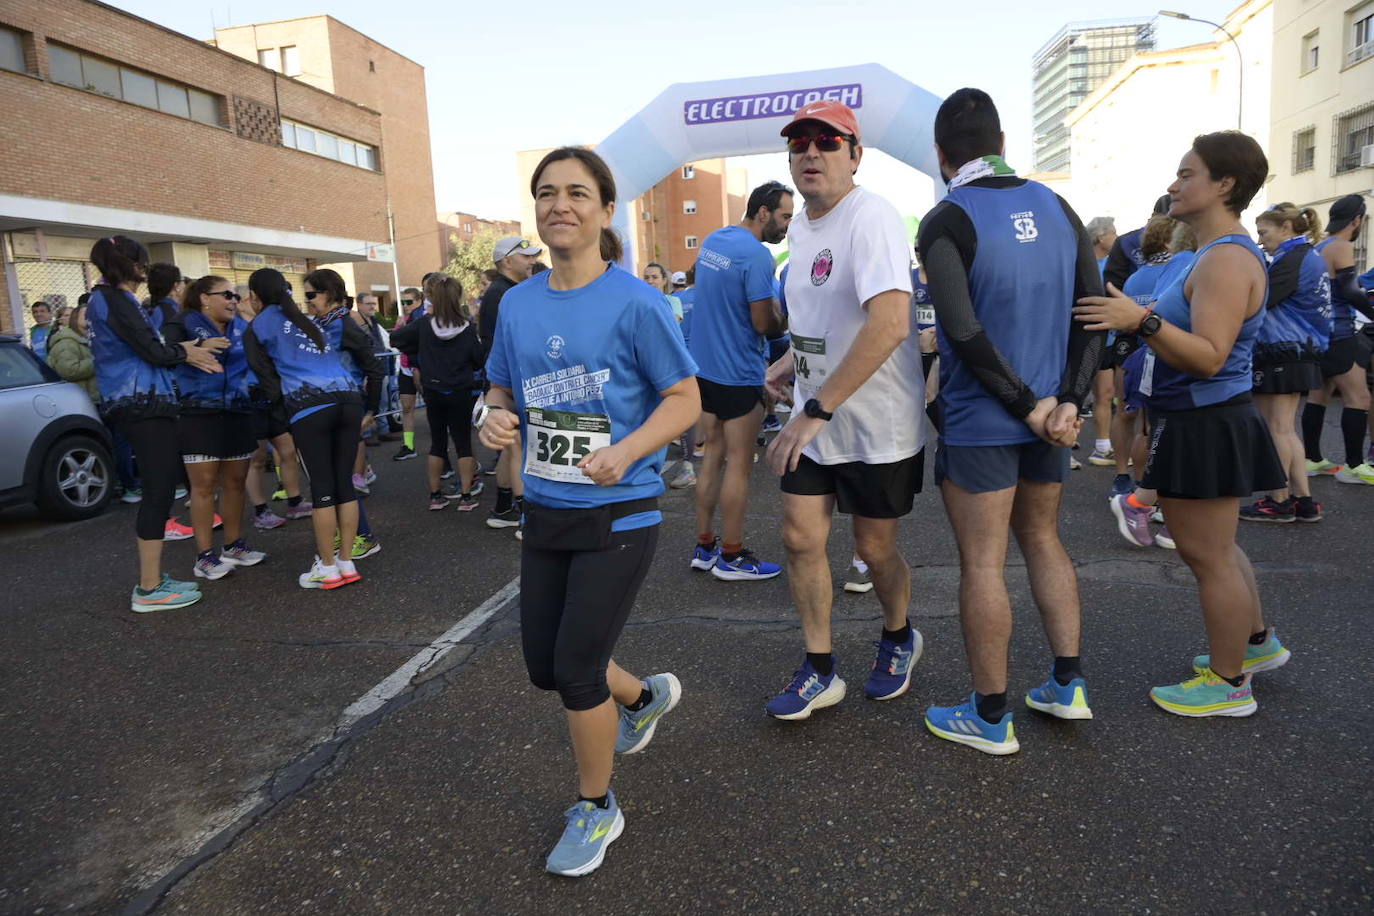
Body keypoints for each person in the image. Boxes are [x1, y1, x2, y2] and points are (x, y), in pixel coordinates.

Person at [479, 146, 698, 877]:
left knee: (575, 671)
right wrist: (492, 414)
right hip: (545, 506)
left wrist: (628, 450)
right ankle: (640, 698)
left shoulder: (637, 301)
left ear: (605, 211)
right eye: (547, 193)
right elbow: (500, 388)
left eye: (577, 193)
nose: (560, 205)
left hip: (620, 510)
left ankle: (596, 806)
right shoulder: (518, 303)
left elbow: (685, 401)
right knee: (547, 667)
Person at [1075, 131, 1290, 718]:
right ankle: (1254, 645)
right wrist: (1139, 315)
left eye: (1187, 173)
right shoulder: (1214, 252)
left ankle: (1228, 685)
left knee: (1207, 556)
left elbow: (1210, 354)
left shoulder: (1226, 258)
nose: (1174, 184)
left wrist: (1139, 322)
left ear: (1225, 184)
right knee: (1219, 549)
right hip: (1201, 416)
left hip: (1205, 418)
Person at [917, 88, 1104, 755]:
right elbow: (1093, 312)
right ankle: (1068, 685)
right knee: (1045, 540)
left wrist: (1028, 405)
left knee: (983, 563)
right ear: (1002, 144)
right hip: (1053, 421)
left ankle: (991, 716)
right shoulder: (1058, 206)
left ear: (941, 154)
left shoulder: (945, 219)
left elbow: (961, 330)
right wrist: (1069, 402)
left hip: (984, 421)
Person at [761, 99, 926, 719]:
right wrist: (789, 362)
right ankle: (819, 667)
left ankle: (899, 635)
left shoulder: (872, 216)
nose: (811, 153)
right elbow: (823, 318)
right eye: (799, 143)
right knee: (800, 537)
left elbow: (889, 323)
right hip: (817, 416)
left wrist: (816, 408)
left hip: (875, 422)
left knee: (874, 549)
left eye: (827, 142)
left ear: (855, 156)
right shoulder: (801, 227)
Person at [87, 236, 223, 612]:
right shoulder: (115, 299)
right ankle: (148, 588)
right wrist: (187, 352)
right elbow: (154, 351)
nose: (145, 273)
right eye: (142, 265)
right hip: (142, 404)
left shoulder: (106, 299)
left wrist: (186, 351)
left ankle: (153, 581)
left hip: (140, 402)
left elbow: (151, 347)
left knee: (160, 489)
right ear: (132, 265)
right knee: (159, 490)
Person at [244, 268, 381, 590]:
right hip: (348, 400)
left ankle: (327, 567)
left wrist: (284, 418)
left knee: (322, 490)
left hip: (310, 405)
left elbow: (268, 381)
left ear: (254, 297)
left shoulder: (257, 327)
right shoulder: (310, 321)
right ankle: (346, 562)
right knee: (344, 486)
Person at [687, 180, 792, 581]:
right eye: (784, 216)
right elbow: (763, 323)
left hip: (704, 369)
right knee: (739, 466)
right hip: (738, 373)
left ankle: (704, 546)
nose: (787, 225)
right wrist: (784, 318)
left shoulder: (714, 240)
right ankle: (731, 556)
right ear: (763, 212)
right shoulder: (757, 255)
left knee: (712, 456)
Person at [163, 277, 268, 578]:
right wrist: (197, 346)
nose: (234, 300)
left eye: (235, 295)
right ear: (204, 298)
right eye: (227, 295)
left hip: (238, 410)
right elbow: (162, 351)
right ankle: (204, 557)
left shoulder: (241, 327)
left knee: (235, 482)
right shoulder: (182, 321)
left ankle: (233, 546)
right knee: (204, 486)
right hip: (198, 412)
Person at [1108, 216, 1198, 549]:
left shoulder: (1138, 276)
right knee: (1177, 438)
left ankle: (1142, 495)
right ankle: (1147, 503)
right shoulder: (1189, 263)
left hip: (1143, 357)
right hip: (1173, 360)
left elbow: (1132, 321)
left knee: (1147, 429)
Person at [1239, 204, 1331, 522]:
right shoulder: (1308, 255)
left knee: (1276, 428)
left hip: (1282, 348)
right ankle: (1303, 500)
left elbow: (1258, 301)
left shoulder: (1292, 259)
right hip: (1300, 349)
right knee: (1286, 429)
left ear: (1286, 227)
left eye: (1263, 233)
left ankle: (1278, 500)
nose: (1260, 241)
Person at [389, 274, 484, 511]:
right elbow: (478, 359)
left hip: (432, 389)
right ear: (457, 297)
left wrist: (418, 351)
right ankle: (466, 497)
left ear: (432, 298)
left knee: (437, 442)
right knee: (463, 442)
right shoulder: (467, 328)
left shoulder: (423, 324)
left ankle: (435, 496)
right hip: (460, 390)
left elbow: (396, 338)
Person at [1305, 194, 1374, 484]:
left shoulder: (1319, 246)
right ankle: (1354, 466)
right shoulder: (1342, 246)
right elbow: (1350, 291)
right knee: (1359, 397)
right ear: (1357, 220)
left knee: (1318, 395)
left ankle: (1312, 459)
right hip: (1339, 331)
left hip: (1317, 331)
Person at [480, 237, 542, 531]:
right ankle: (525, 517)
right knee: (517, 447)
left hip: (504, 381)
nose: (531, 261)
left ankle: (504, 507)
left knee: (510, 447)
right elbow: (507, 345)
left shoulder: (505, 291)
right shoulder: (504, 295)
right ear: (506, 261)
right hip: (506, 383)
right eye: (525, 256)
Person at [1084, 217, 1119, 467]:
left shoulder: (1115, 265)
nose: (1117, 237)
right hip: (1085, 339)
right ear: (1100, 237)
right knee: (1071, 394)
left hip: (1110, 339)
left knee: (1106, 394)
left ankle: (1103, 447)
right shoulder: (1081, 265)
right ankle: (1062, 452)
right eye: (1113, 233)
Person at [392, 287, 425, 461]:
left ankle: (442, 450)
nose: (405, 305)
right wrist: (400, 327)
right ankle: (409, 445)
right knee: (406, 408)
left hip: (421, 369)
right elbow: (395, 341)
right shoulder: (403, 320)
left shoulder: (423, 318)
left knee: (435, 410)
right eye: (403, 302)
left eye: (408, 302)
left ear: (419, 301)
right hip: (405, 369)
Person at [45, 299, 98, 401]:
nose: (90, 316)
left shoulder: (91, 338)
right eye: (86, 314)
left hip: (93, 397)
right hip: (80, 400)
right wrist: (98, 361)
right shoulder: (66, 342)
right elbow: (69, 371)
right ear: (75, 318)